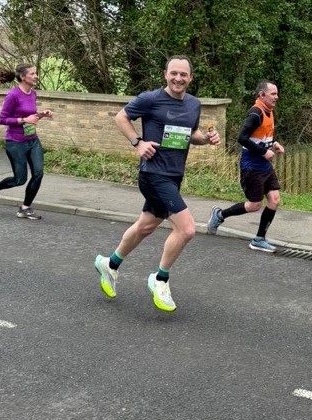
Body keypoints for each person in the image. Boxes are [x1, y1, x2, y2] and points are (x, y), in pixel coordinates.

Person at [94, 55, 220, 312]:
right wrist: (137, 142)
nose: (178, 78)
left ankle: (111, 263)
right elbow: (121, 117)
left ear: (190, 77)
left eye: (183, 74)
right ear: (165, 74)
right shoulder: (150, 99)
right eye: (173, 73)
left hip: (174, 175)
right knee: (186, 230)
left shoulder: (194, 104)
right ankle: (160, 279)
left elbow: (190, 135)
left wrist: (206, 139)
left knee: (146, 226)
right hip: (153, 174)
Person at [207, 79, 284, 253]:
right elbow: (242, 138)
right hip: (251, 166)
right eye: (273, 94)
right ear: (261, 95)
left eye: (277, 93)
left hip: (264, 165)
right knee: (255, 205)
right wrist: (264, 152)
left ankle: (259, 239)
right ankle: (220, 215)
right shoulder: (255, 114)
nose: (276, 97)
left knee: (274, 200)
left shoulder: (269, 111)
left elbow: (261, 136)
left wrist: (274, 144)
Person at [0, 64, 53, 220]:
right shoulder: (13, 95)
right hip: (15, 142)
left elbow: (31, 116)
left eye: (36, 73)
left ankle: (25, 208)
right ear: (23, 77)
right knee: (19, 180)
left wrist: (42, 114)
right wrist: (23, 120)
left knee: (38, 173)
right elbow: (2, 120)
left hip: (32, 140)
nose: (36, 76)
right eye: (32, 73)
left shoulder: (32, 93)